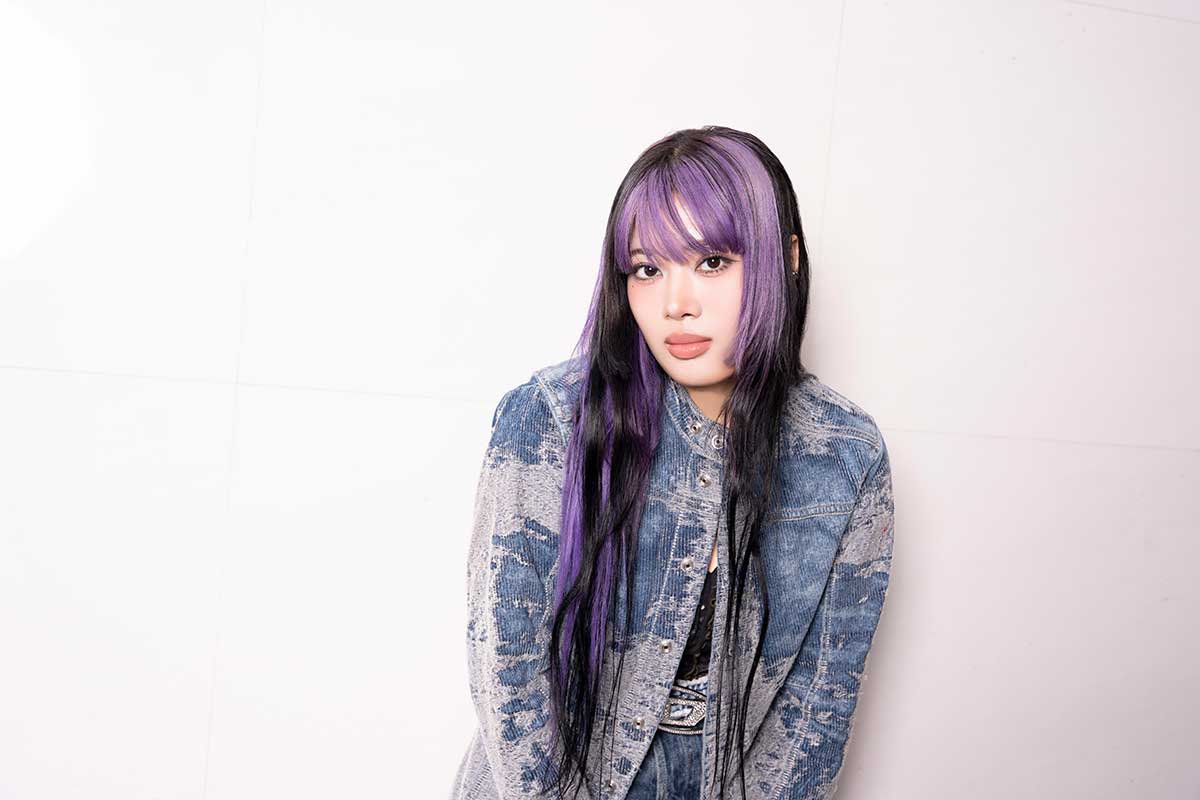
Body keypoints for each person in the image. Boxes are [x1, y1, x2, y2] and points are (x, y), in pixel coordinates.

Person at [450, 125, 895, 800]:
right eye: (647, 269)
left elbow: (819, 707)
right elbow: (506, 667)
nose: (675, 306)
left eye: (711, 262)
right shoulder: (549, 420)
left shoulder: (845, 455)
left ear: (787, 260)